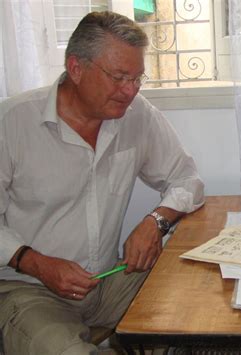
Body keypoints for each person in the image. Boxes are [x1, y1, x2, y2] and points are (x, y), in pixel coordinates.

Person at [0, 11, 204, 354]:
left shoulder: (137, 114)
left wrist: (156, 221)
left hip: (109, 279)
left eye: (138, 78)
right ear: (76, 67)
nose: (130, 91)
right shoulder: (12, 123)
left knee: (190, 307)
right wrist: (36, 262)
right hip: (30, 288)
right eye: (119, 76)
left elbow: (187, 179)